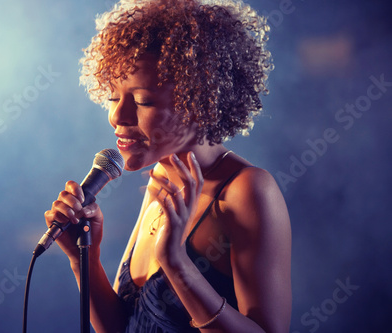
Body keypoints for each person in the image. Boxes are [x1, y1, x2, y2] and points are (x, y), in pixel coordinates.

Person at [44, 0, 292, 332]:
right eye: (113, 97)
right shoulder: (161, 176)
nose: (117, 117)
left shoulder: (247, 192)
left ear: (201, 101)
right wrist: (82, 258)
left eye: (143, 100)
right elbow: (125, 327)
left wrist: (177, 264)